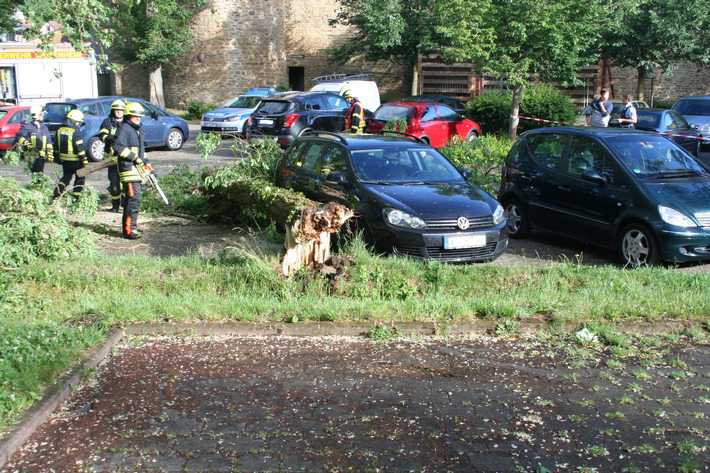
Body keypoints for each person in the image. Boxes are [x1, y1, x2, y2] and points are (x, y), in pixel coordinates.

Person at [113, 101, 152, 240]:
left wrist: (146, 162)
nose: (138, 119)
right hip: (128, 171)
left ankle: (132, 227)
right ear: (129, 116)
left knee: (135, 200)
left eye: (140, 117)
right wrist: (134, 158)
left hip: (137, 171)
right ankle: (129, 231)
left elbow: (142, 151)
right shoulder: (124, 129)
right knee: (133, 201)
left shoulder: (138, 129)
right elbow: (118, 148)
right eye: (135, 116)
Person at [53, 109, 87, 201]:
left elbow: (55, 146)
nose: (79, 125)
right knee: (80, 178)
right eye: (79, 123)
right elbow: (80, 148)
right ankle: (76, 197)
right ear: (75, 121)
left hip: (65, 161)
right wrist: (84, 160)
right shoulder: (75, 131)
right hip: (76, 161)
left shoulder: (59, 130)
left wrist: (57, 158)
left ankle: (57, 192)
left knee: (66, 177)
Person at [99, 99, 126, 212]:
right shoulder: (107, 122)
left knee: (125, 182)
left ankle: (125, 206)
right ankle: (115, 207)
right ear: (113, 110)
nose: (119, 112)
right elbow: (102, 135)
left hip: (124, 157)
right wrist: (110, 138)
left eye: (121, 110)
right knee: (114, 182)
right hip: (111, 158)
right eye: (117, 110)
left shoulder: (127, 122)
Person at [15, 105, 53, 173]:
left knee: (40, 172)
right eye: (41, 114)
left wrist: (50, 154)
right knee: (36, 173)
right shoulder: (28, 127)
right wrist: (28, 144)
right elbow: (19, 137)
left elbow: (49, 141)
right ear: (36, 115)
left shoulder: (44, 127)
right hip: (33, 155)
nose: (43, 116)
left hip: (42, 155)